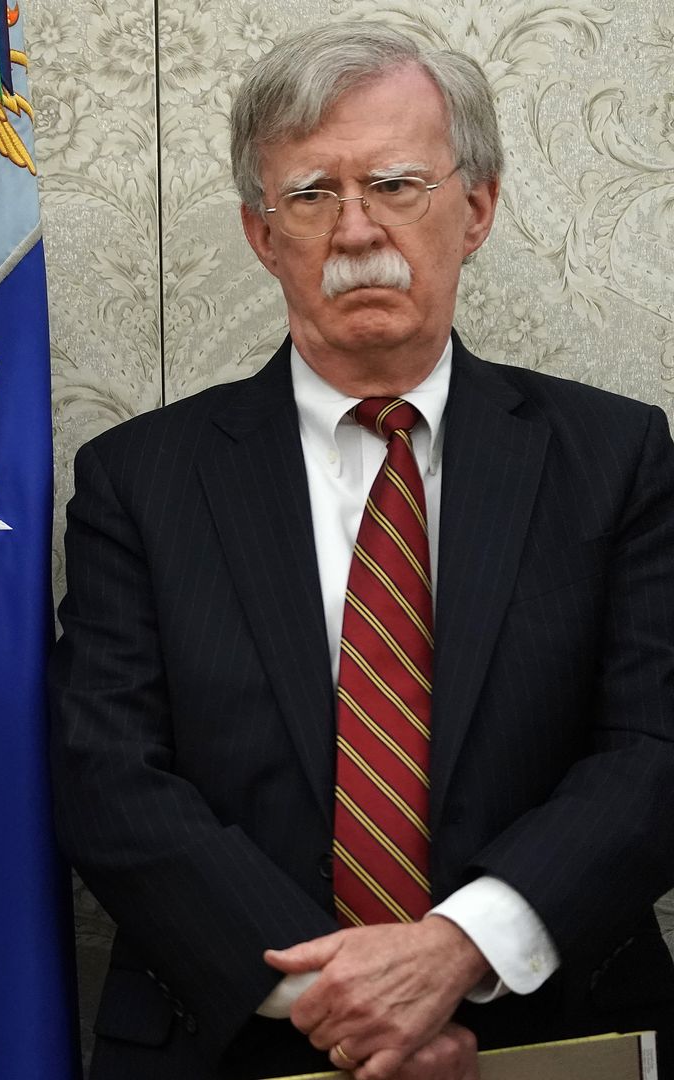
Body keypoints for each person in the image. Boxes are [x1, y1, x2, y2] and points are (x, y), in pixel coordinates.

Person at [50, 24, 674, 1080]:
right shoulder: (138, 480)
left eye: (396, 183)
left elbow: (654, 751)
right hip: (235, 1038)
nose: (356, 230)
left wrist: (454, 953)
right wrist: (342, 1003)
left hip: (547, 1036)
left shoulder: (616, 458)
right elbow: (107, 778)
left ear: (474, 209)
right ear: (259, 231)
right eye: (310, 195)